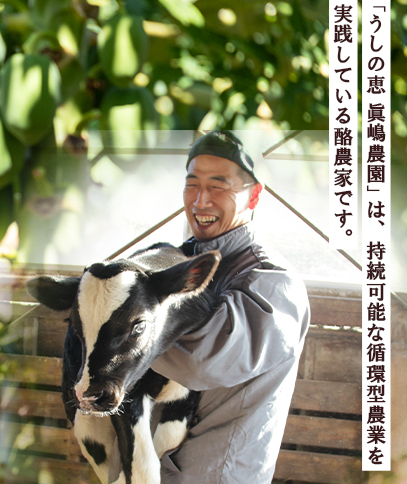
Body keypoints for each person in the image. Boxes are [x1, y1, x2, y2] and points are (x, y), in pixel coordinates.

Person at [149, 130, 311, 483]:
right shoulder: (178, 262)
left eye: (219, 186)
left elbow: (198, 360)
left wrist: (113, 333)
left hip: (217, 474)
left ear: (254, 196)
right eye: (192, 184)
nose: (200, 200)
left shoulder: (270, 282)